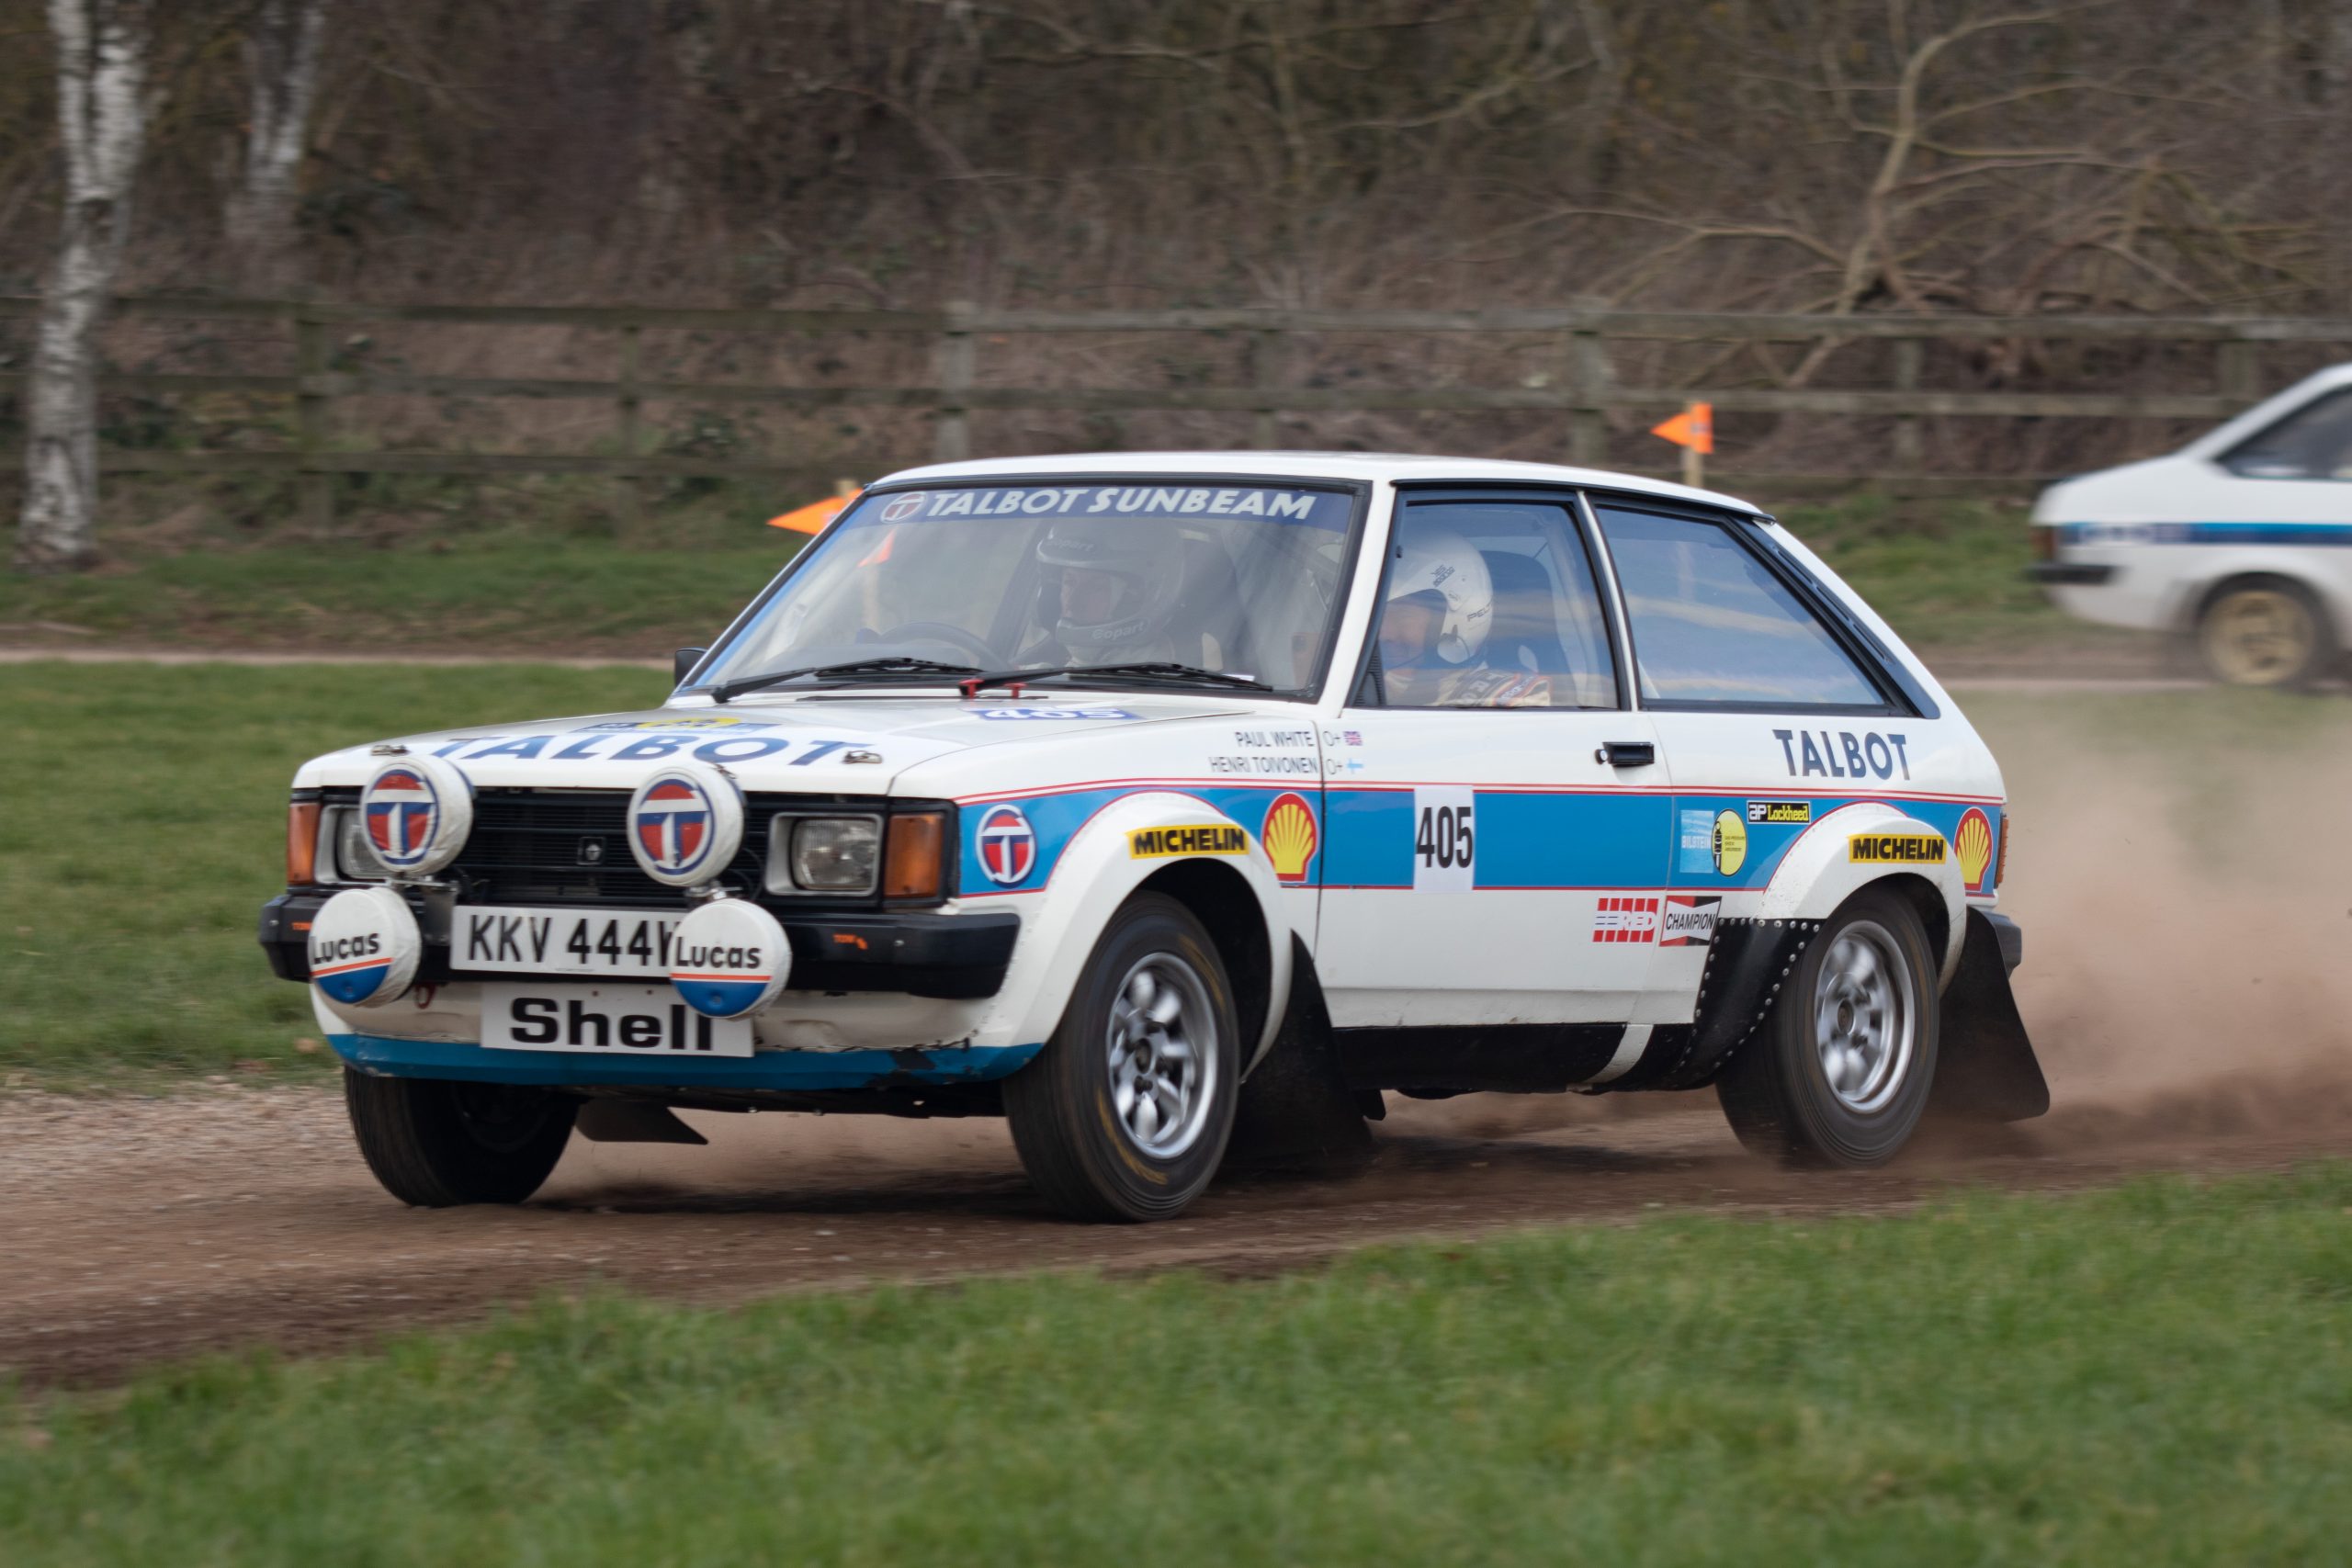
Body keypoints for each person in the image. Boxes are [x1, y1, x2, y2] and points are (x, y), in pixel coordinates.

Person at [1377, 526, 1552, 707]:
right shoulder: (1356, 681)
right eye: (1377, 614)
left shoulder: (1510, 703)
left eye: (1403, 615)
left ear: (1460, 616)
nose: (1383, 633)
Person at [1026, 520, 1190, 666]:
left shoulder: (1154, 684)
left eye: (1096, 587)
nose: (1072, 603)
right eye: (1069, 582)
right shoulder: (1041, 671)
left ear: (1132, 599)